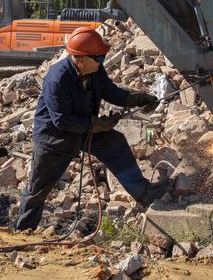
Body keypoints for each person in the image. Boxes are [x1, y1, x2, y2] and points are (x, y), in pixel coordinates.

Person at [16, 26, 168, 231]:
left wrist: (134, 98)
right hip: (54, 138)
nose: (102, 62)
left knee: (115, 143)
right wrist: (96, 124)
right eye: (100, 59)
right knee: (38, 189)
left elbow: (110, 91)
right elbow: (61, 120)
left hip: (85, 129)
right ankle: (23, 230)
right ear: (81, 60)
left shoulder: (94, 68)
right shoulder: (56, 79)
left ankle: (143, 192)